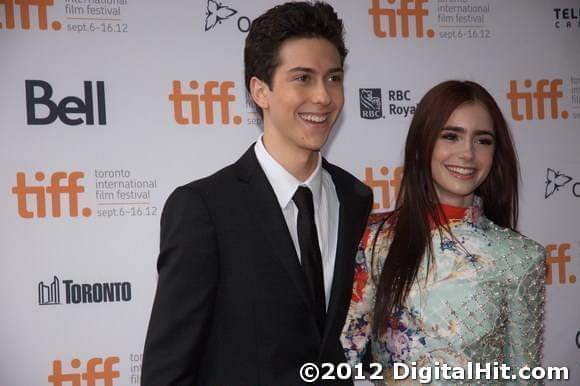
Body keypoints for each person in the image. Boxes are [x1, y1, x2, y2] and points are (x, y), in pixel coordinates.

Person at [141, 2, 372, 385]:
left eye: (333, 78)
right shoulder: (204, 209)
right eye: (303, 78)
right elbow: (168, 371)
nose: (323, 97)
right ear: (259, 91)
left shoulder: (356, 198)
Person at [341, 80, 546, 384]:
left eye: (483, 140)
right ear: (422, 144)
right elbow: (345, 358)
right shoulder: (375, 238)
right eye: (451, 136)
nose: (467, 154)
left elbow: (525, 379)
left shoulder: (521, 257)